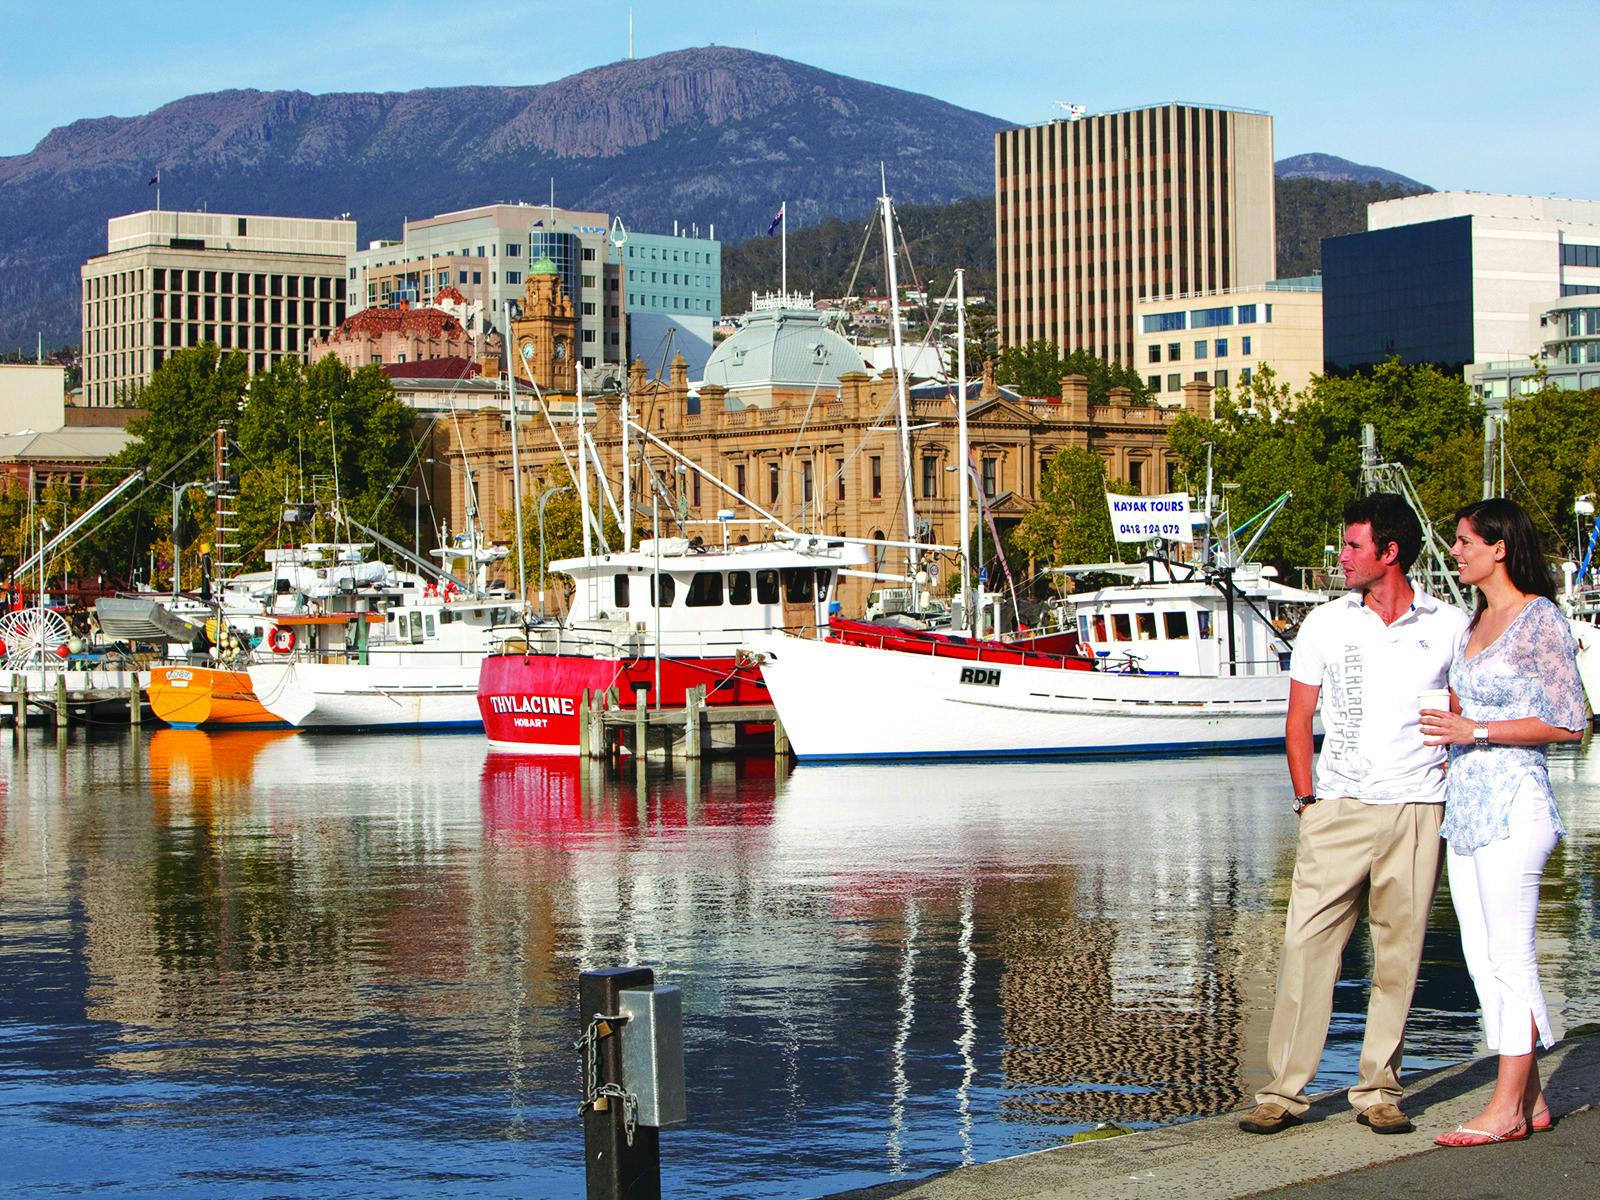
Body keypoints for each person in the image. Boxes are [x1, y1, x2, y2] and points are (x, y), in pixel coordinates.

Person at [1239, 493, 1469, 1136]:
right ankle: (1284, 1091)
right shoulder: (1325, 623)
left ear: (1389, 553)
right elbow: (1298, 719)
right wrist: (1309, 802)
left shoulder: (1448, 625)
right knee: (1306, 947)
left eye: (1352, 546)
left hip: (1418, 808)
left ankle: (1378, 1089)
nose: (1340, 557)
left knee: (1400, 954)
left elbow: (1460, 710)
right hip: (1336, 808)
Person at [1419, 498, 1585, 1147]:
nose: (1455, 552)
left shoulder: (1539, 617)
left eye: (1463, 542)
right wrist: (1449, 734)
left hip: (1517, 801)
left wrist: (1475, 730)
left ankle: (1506, 1106)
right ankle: (1535, 1099)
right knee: (1481, 958)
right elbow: (1463, 707)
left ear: (1498, 548)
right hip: (1466, 804)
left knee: (1511, 955)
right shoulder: (1473, 622)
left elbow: (1572, 720)